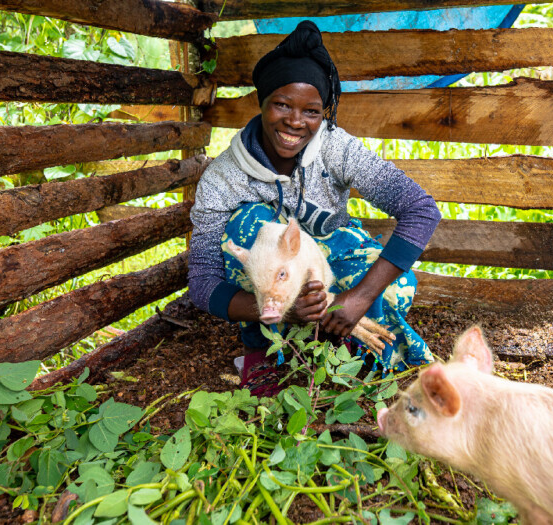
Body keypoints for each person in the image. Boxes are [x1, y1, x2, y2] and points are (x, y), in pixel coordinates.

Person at [188, 20, 441, 396]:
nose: (295, 121)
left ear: (324, 112)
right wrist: (283, 307)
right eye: (282, 104)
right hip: (271, 293)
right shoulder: (223, 178)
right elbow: (203, 282)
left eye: (311, 111)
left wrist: (358, 298)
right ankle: (264, 350)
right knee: (248, 226)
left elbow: (421, 209)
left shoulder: (336, 148)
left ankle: (339, 348)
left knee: (396, 287)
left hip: (331, 259)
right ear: (262, 102)